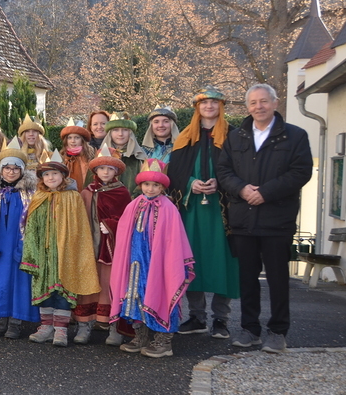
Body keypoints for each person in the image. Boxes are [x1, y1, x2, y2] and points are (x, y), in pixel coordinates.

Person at [217, 84, 313, 354]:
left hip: (277, 220)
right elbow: (223, 170)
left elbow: (301, 171)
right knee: (247, 279)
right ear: (247, 107)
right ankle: (250, 329)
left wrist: (266, 193)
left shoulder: (295, 136)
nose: (258, 107)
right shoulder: (236, 137)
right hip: (243, 220)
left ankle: (278, 332)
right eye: (253, 102)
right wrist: (242, 189)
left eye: (264, 101)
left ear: (275, 103)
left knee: (278, 279)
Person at [169, 87, 239, 339]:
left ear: (222, 106)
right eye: (204, 102)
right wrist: (190, 184)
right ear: (197, 107)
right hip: (192, 210)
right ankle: (197, 317)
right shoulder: (185, 137)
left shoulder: (235, 136)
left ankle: (221, 319)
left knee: (224, 261)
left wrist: (222, 182)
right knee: (191, 259)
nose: (209, 106)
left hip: (223, 211)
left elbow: (243, 169)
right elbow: (174, 172)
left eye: (214, 102)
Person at [110, 160, 195, 358]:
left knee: (161, 293)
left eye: (155, 185)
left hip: (158, 264)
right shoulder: (133, 205)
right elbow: (124, 234)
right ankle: (141, 336)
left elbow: (173, 240)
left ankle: (164, 341)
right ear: (140, 185)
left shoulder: (168, 208)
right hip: (135, 263)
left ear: (162, 187)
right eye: (146, 184)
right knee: (135, 295)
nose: (150, 188)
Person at [20, 152, 100, 347]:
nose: (51, 178)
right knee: (44, 288)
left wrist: (75, 250)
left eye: (55, 174)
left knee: (63, 288)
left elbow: (80, 227)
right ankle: (46, 327)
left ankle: (61, 330)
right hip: (43, 252)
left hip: (65, 251)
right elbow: (31, 227)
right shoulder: (39, 196)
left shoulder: (73, 197)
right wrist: (32, 252)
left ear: (63, 176)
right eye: (46, 175)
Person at [0, 138, 40, 339]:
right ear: (1, 170)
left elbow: (34, 221)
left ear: (22, 171)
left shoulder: (30, 194)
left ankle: (15, 323)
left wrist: (26, 245)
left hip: (20, 244)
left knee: (20, 283)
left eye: (16, 168)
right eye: (7, 168)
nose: (11, 172)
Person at [80, 146, 132, 346]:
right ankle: (84, 325)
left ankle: (113, 327)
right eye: (102, 168)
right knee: (87, 285)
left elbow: (127, 220)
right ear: (95, 171)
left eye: (110, 169)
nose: (105, 172)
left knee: (110, 285)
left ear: (116, 171)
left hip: (110, 248)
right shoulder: (86, 192)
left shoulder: (122, 193)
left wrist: (112, 225)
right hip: (89, 247)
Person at [102, 113, 147, 193]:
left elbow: (145, 185)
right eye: (116, 130)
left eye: (125, 130)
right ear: (110, 133)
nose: (120, 134)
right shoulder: (100, 157)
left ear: (130, 133)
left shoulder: (139, 158)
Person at [60, 118, 96, 191]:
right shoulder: (62, 156)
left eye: (77, 138)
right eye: (70, 138)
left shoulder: (89, 156)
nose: (73, 141)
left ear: (82, 140)